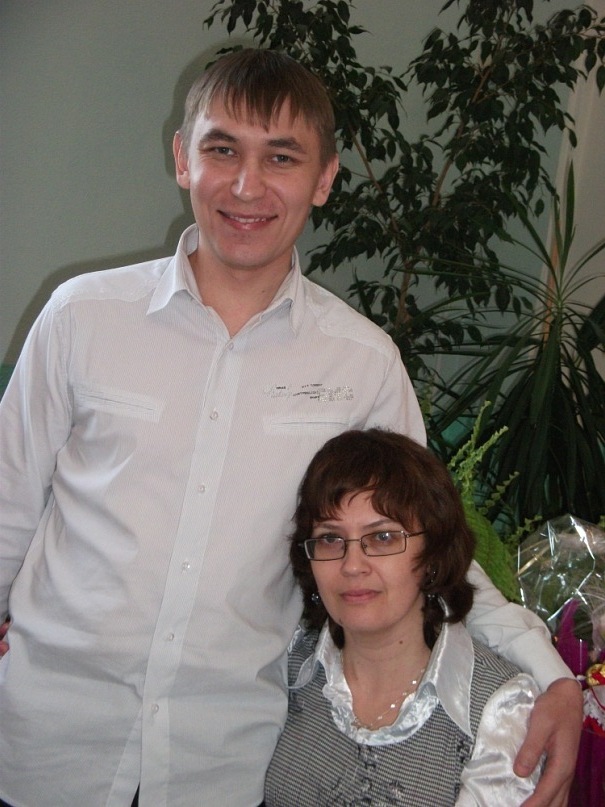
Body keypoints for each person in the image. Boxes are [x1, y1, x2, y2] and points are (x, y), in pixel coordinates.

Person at [0, 48, 580, 807]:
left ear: (324, 178)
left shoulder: (361, 363)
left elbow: (428, 545)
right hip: (44, 744)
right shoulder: (82, 317)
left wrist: (552, 675)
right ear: (182, 158)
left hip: (224, 762)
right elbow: (8, 508)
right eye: (222, 150)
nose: (247, 186)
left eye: (281, 157)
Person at [265, 428, 543, 806]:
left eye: (383, 538)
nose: (352, 565)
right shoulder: (286, 666)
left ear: (432, 555)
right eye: (330, 538)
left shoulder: (498, 710)